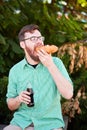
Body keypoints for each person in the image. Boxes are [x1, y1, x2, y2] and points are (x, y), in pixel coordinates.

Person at [3, 24, 73, 130]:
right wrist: (19, 99)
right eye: (33, 39)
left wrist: (50, 65)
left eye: (40, 38)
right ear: (23, 44)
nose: (39, 41)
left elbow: (68, 94)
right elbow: (10, 105)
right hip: (22, 123)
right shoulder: (15, 70)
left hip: (50, 124)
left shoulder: (56, 63)